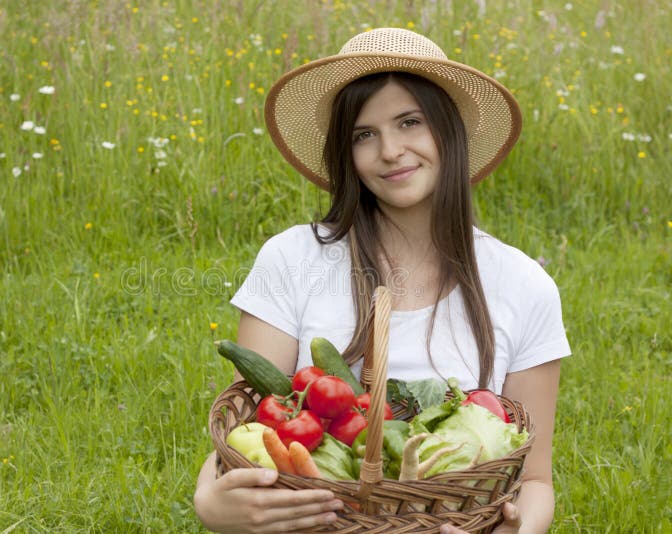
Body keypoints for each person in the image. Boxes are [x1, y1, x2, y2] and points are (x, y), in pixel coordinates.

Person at [194, 27, 571, 534]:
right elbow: (243, 432)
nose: (390, 150)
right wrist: (210, 504)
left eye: (409, 122)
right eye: (363, 134)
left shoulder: (524, 285)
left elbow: (535, 480)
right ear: (345, 154)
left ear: (449, 130)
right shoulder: (291, 258)